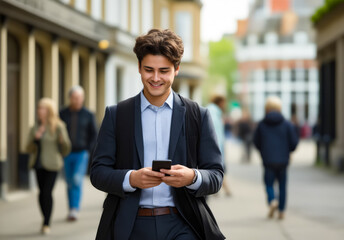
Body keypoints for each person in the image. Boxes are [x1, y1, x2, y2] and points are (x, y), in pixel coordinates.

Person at [90, 29, 225, 240]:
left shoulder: (198, 115)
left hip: (184, 223)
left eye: (164, 71)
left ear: (176, 69)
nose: (155, 78)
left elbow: (216, 175)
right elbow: (98, 173)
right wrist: (131, 178)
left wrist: (192, 177)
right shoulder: (116, 115)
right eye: (148, 70)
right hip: (132, 225)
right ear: (139, 68)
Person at [26, 98, 71, 234]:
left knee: (47, 192)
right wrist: (36, 139)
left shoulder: (58, 126)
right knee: (41, 194)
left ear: (49, 111)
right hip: (38, 164)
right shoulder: (35, 127)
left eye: (42, 108)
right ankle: (44, 218)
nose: (39, 111)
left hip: (52, 164)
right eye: (39, 108)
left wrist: (62, 143)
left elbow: (66, 149)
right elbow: (27, 148)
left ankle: (46, 222)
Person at [253, 96, 299, 220]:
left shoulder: (262, 124)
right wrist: (288, 151)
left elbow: (256, 141)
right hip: (283, 160)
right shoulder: (287, 124)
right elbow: (294, 142)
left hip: (268, 160)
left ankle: (272, 200)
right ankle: (282, 211)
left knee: (268, 183)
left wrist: (263, 150)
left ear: (266, 108)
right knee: (282, 185)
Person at [60, 86, 97, 221]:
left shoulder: (88, 114)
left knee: (76, 179)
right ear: (70, 98)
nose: (77, 100)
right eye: (74, 97)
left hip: (82, 153)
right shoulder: (62, 114)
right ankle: (71, 208)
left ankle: (75, 208)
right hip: (66, 153)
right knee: (69, 181)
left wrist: (89, 149)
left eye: (79, 97)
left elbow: (94, 134)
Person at [207, 95, 231, 196]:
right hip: (215, 148)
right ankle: (220, 189)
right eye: (224, 102)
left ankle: (220, 189)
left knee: (218, 169)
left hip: (215, 147)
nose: (225, 105)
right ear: (220, 102)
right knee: (218, 168)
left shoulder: (214, 112)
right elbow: (215, 134)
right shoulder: (213, 113)